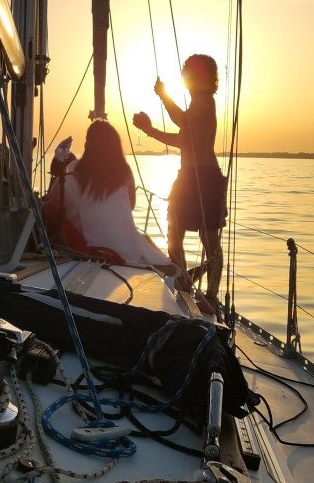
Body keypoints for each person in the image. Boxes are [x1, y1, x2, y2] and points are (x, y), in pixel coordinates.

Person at [133, 53, 226, 311]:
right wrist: (148, 129)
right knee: (174, 230)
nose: (185, 74)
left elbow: (182, 121)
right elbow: (182, 140)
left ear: (202, 75)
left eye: (189, 71)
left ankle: (212, 295)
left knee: (210, 240)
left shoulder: (205, 101)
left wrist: (163, 95)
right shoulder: (198, 103)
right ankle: (183, 281)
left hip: (205, 177)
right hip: (188, 176)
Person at [47, 118, 176, 270]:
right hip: (126, 247)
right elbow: (131, 205)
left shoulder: (72, 171)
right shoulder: (124, 171)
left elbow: (53, 202)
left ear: (88, 144)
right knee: (143, 240)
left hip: (90, 248)